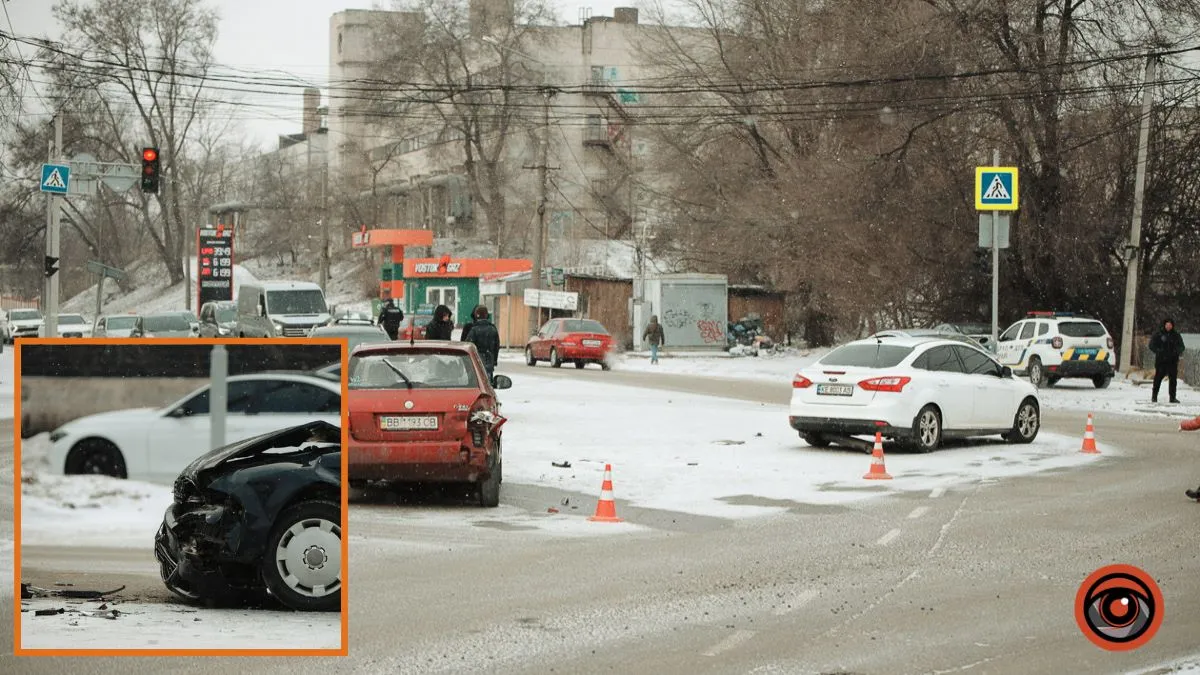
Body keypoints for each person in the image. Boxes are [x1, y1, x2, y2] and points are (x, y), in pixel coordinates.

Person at [1149, 317, 1185, 404]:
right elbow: (1151, 345)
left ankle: (1172, 398)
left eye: (1170, 325)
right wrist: (1158, 351)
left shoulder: (1176, 335)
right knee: (1157, 379)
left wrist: (1176, 351)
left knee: (1173, 380)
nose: (1168, 326)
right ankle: (1154, 397)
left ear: (1172, 326)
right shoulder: (1158, 334)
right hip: (1161, 362)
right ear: (1164, 325)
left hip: (1172, 361)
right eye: (1167, 325)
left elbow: (1182, 347)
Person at [463, 305, 500, 383]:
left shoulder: (474, 330)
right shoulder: (493, 329)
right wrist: (494, 360)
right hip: (489, 361)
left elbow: (467, 346)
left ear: (476, 315)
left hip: (476, 362)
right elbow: (496, 346)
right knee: (487, 383)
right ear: (487, 315)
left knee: (476, 383)